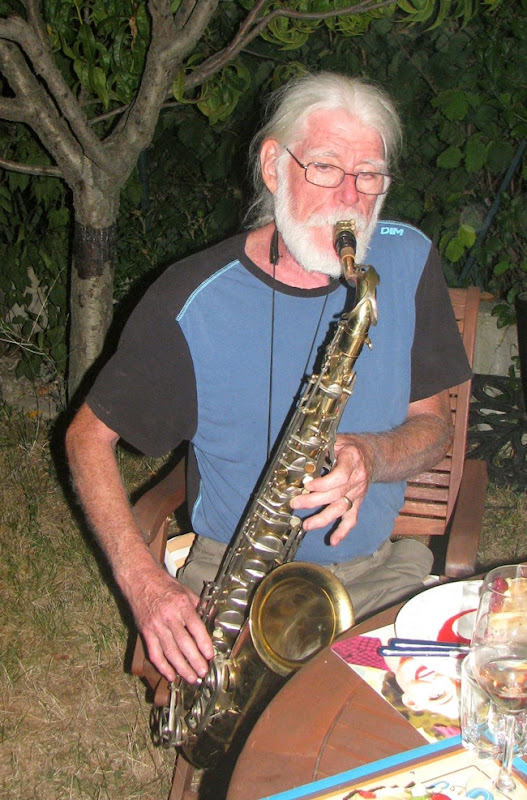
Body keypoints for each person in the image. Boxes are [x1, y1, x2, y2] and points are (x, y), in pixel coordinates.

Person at [66, 72, 471, 690]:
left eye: (369, 174)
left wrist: (372, 455)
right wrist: (145, 584)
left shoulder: (408, 259)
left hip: (375, 579)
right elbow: (86, 438)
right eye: (326, 167)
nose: (351, 198)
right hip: (234, 586)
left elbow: (433, 429)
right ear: (274, 166)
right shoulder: (192, 300)